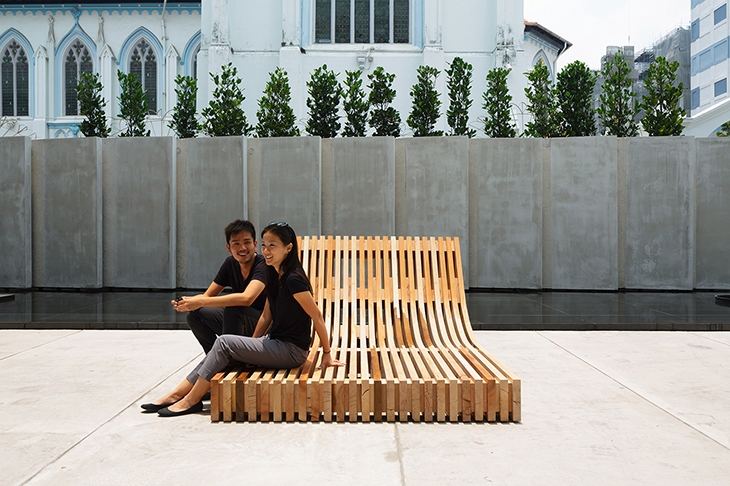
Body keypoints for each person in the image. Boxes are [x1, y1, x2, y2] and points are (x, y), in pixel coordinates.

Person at [142, 221, 345, 416]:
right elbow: (266, 315)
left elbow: (317, 316)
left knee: (223, 343)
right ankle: (177, 394)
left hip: (292, 351)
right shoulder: (274, 274)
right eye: (264, 246)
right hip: (273, 342)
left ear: (288, 248)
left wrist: (326, 353)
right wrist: (253, 343)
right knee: (220, 348)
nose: (266, 251)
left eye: (272, 246)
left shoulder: (294, 280)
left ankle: (190, 400)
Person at [173, 219, 267, 355]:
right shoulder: (230, 264)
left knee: (234, 307)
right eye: (236, 244)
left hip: (262, 325)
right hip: (239, 322)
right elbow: (208, 296)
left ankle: (231, 358)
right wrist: (187, 302)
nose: (243, 248)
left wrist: (201, 301)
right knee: (195, 315)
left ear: (255, 244)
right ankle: (215, 357)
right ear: (228, 248)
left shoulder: (263, 265)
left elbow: (247, 298)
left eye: (247, 242)